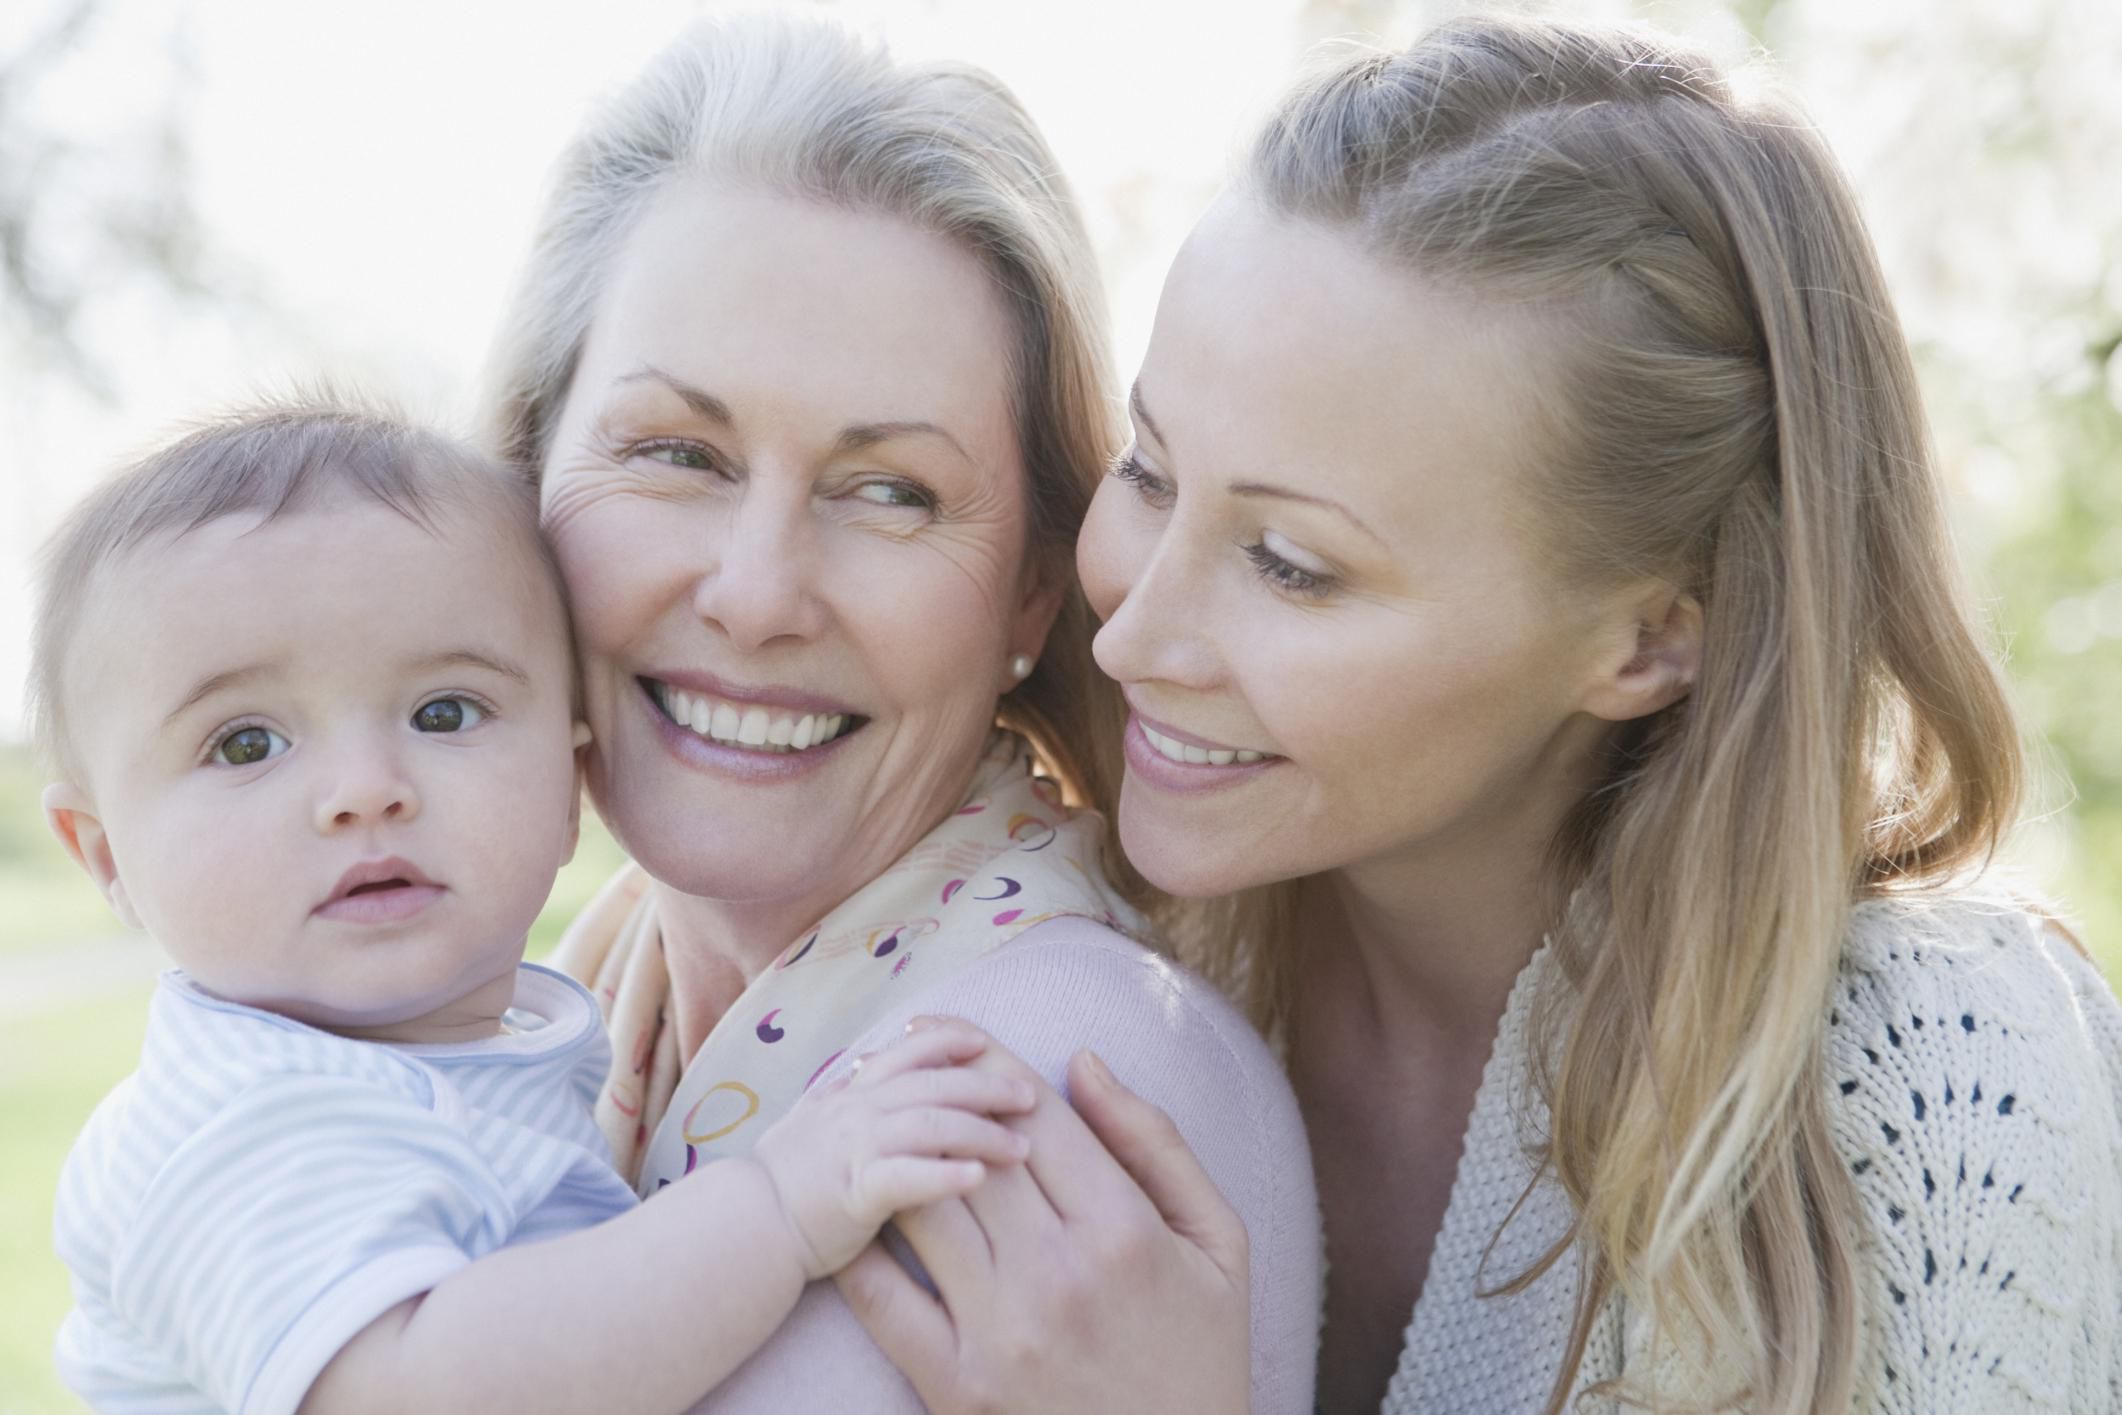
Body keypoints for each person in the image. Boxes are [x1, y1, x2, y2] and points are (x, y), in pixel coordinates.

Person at [834, 17, 2122, 1414]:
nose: (1131, 628)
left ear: (1648, 638)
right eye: (1148, 471)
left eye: (1292, 565)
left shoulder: (1926, 1077)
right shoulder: (1080, 955)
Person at [486, 13, 1320, 1411]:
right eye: (677, 452)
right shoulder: (578, 997)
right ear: (521, 481)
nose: (756, 594)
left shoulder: (1039, 1095)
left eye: (890, 490)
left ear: (1031, 600)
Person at [34, 403, 1048, 1415]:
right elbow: (417, 1390)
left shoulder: (446, 1054)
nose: (365, 787)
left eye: (444, 711)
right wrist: (781, 1202)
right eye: (246, 742)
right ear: (105, 852)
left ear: (569, 784)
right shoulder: (252, 1122)